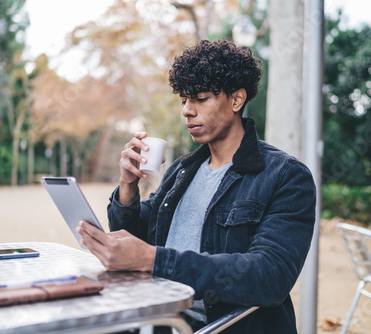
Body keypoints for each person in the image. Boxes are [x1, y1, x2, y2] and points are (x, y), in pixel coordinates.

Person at [77, 39, 316, 333]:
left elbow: (270, 276)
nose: (187, 111)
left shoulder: (286, 176)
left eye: (200, 99)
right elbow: (136, 235)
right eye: (184, 100)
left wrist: (154, 260)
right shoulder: (182, 170)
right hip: (162, 321)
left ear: (236, 100)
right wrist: (128, 186)